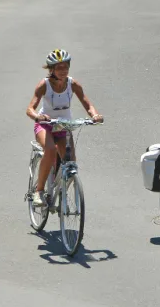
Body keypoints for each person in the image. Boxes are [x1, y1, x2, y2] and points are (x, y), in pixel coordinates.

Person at [26, 48, 103, 206]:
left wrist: (95, 115)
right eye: (59, 67)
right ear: (52, 69)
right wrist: (38, 116)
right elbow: (30, 109)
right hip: (45, 125)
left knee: (70, 164)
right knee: (51, 150)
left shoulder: (72, 84)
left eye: (66, 67)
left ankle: (60, 191)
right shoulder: (44, 85)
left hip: (63, 127)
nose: (63, 71)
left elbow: (87, 104)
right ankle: (39, 191)